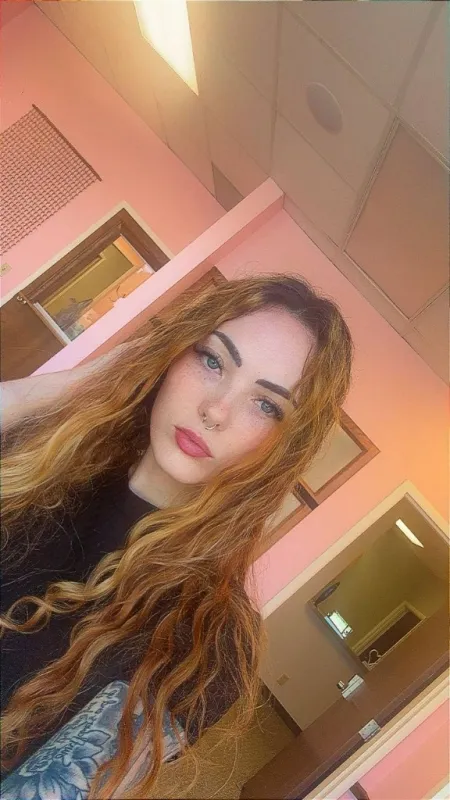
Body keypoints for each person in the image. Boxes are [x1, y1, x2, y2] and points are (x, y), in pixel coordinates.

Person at [0, 273, 354, 799]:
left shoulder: (209, 649)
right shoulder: (30, 462)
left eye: (266, 405)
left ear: (284, 447)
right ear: (172, 353)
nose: (216, 410)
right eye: (212, 360)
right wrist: (83, 383)